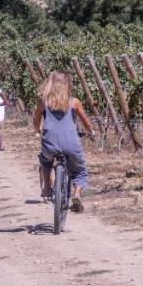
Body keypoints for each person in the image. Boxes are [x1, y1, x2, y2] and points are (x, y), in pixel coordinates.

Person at [33, 70, 93, 211]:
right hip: (71, 143)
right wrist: (91, 132)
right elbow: (86, 123)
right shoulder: (74, 102)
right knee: (79, 170)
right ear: (68, 85)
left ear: (50, 84)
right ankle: (77, 193)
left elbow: (36, 120)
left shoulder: (43, 101)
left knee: (45, 161)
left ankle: (47, 186)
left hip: (49, 142)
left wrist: (37, 129)